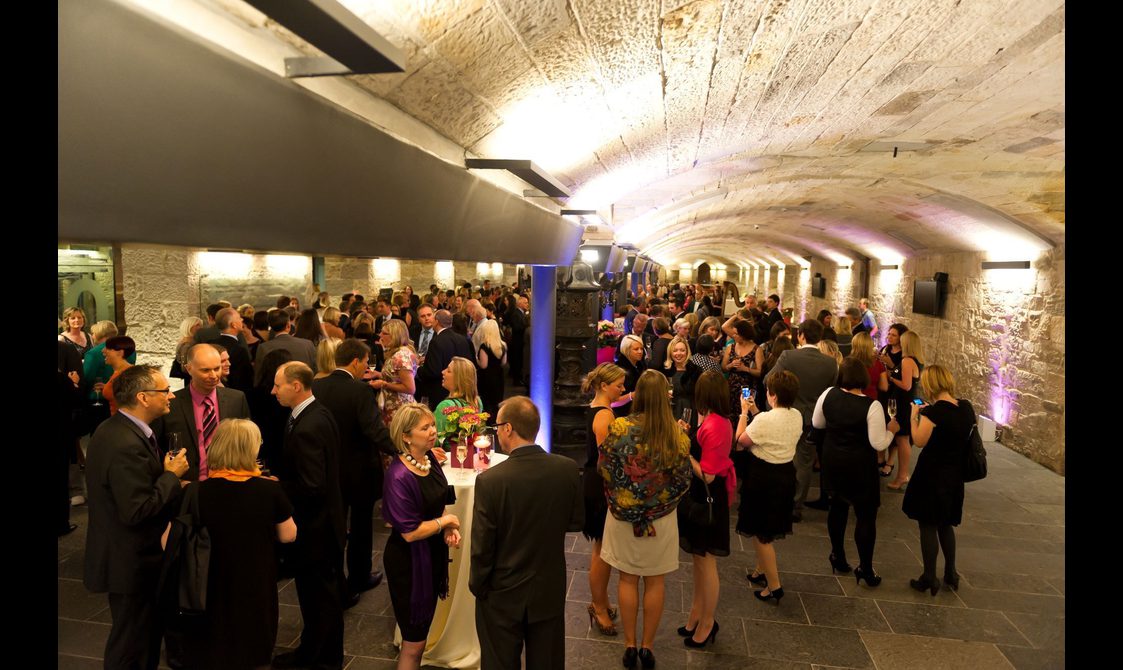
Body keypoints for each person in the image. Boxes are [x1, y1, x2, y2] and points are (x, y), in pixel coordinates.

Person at [84, 364, 189, 670]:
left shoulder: (116, 428)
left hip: (127, 555)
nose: (171, 395)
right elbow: (136, 509)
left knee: (140, 640)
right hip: (130, 561)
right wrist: (171, 477)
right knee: (132, 645)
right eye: (164, 390)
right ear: (143, 397)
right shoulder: (126, 443)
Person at [174, 419, 297, 669]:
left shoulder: (194, 492)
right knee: (251, 651)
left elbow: (169, 540)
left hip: (206, 586)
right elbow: (288, 535)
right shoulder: (269, 490)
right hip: (255, 583)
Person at [471, 396, 583, 670]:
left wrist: (478, 586)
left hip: (502, 591)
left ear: (508, 428)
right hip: (548, 586)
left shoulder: (490, 481)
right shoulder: (567, 469)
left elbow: (483, 546)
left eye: (498, 426)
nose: (497, 432)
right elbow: (575, 522)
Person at [599, 370, 691, 669]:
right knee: (655, 580)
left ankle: (629, 644)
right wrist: (660, 504)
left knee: (627, 578)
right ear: (665, 396)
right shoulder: (676, 434)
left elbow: (605, 468)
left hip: (624, 516)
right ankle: (647, 647)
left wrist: (621, 499)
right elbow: (683, 480)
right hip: (660, 520)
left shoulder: (619, 427)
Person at [270, 362, 346, 670]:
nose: (273, 391)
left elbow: (312, 486)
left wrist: (277, 485)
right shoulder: (317, 413)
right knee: (321, 598)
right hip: (327, 523)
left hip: (316, 529)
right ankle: (314, 652)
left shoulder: (308, 427)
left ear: (296, 386)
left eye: (278, 385)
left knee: (318, 598)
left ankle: (320, 660)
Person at [313, 338, 398, 603]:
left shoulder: (316, 386)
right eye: (365, 362)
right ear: (355, 362)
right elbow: (374, 430)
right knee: (361, 527)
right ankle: (359, 576)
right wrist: (402, 450)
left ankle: (335, 580)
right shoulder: (360, 391)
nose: (366, 368)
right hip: (360, 470)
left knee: (335, 527)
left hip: (329, 469)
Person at [382, 403, 460, 670]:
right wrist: (445, 522)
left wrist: (447, 527)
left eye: (432, 425)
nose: (433, 431)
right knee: (414, 643)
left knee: (421, 637)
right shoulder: (398, 476)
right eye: (424, 428)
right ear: (406, 436)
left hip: (432, 556)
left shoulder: (429, 460)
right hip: (410, 565)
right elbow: (409, 532)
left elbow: (438, 500)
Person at [813, 359, 898, 587]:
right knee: (865, 515)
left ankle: (838, 555)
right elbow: (878, 443)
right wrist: (891, 431)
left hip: (833, 461)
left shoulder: (828, 394)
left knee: (837, 508)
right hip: (860, 466)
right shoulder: (872, 406)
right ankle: (865, 568)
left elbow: (817, 423)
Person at [677, 371, 735, 646]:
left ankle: (708, 621)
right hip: (705, 495)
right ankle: (696, 614)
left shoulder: (715, 425)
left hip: (708, 496)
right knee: (699, 561)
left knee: (706, 562)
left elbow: (708, 475)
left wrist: (686, 453)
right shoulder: (717, 420)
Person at [903, 365, 973, 595]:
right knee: (945, 523)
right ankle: (951, 573)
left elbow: (919, 440)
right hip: (955, 475)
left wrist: (914, 416)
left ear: (930, 385)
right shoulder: (966, 408)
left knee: (928, 524)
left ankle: (929, 577)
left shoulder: (934, 413)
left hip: (932, 475)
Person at [734, 370, 802, 603]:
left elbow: (741, 441)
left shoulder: (765, 420)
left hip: (763, 478)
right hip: (785, 475)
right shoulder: (796, 415)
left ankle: (774, 586)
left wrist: (744, 413)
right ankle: (760, 570)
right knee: (768, 528)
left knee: (761, 533)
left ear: (772, 395)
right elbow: (772, 425)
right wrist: (755, 410)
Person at [767, 320, 838, 522]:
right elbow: (830, 392)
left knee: (780, 457)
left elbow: (769, 379)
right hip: (813, 419)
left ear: (801, 336)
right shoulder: (830, 363)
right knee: (804, 463)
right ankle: (796, 506)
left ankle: (778, 500)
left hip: (787, 414)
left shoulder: (788, 356)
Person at [154, 343, 251, 482]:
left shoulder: (236, 399)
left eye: (217, 368)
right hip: (187, 486)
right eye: (205, 370)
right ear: (189, 369)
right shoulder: (171, 404)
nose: (213, 375)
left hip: (230, 484)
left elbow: (246, 444)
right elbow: (157, 450)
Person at [580, 364, 627, 637]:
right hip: (600, 486)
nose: (622, 389)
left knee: (603, 548)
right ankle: (598, 606)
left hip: (595, 482)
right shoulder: (605, 415)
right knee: (602, 550)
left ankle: (602, 602)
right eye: (619, 385)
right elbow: (605, 462)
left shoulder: (598, 407)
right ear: (604, 386)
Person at [886, 329, 924, 490]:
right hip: (904, 402)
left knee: (902, 440)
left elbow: (906, 385)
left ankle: (902, 475)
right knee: (902, 439)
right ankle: (901, 474)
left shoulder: (908, 361)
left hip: (903, 404)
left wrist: (891, 378)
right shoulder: (916, 360)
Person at [848, 332, 891, 474]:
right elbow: (884, 387)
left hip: (851, 402)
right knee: (869, 436)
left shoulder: (849, 362)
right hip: (871, 403)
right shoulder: (877, 363)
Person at [369, 319, 419, 426]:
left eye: (384, 333)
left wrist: (384, 384)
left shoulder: (401, 356)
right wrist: (378, 374)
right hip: (393, 408)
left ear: (395, 336)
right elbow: (396, 378)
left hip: (399, 409)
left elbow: (410, 388)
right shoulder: (396, 352)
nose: (380, 335)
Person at [254, 310, 317, 385]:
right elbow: (315, 370)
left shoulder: (264, 347)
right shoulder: (307, 344)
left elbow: (258, 377)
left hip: (276, 389)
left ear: (270, 327)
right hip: (304, 388)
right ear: (288, 325)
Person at [434, 356, 482, 438]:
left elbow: (436, 440)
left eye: (448, 371)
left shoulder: (445, 406)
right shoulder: (477, 401)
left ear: (459, 379)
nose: (443, 372)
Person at [722, 320, 762, 416]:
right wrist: (731, 365)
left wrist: (745, 369)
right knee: (730, 414)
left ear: (743, 335)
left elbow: (760, 372)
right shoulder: (730, 347)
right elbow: (723, 368)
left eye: (736, 334)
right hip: (731, 387)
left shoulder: (756, 349)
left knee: (745, 412)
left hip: (746, 389)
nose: (733, 336)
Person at [473, 318, 507, 422]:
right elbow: (504, 363)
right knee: (497, 402)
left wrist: (476, 359)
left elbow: (484, 365)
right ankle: (497, 421)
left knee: (487, 403)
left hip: (486, 378)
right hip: (499, 377)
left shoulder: (485, 346)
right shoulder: (503, 345)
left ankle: (487, 423)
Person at [98, 336, 136, 415]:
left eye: (108, 348)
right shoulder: (120, 372)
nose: (103, 350)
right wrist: (106, 387)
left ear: (120, 353)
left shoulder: (127, 374)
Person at [613, 334, 646, 418]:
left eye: (641, 348)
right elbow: (613, 402)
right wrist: (632, 395)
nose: (640, 352)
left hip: (639, 412)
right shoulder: (618, 369)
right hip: (623, 414)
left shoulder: (641, 365)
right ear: (626, 350)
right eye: (636, 349)